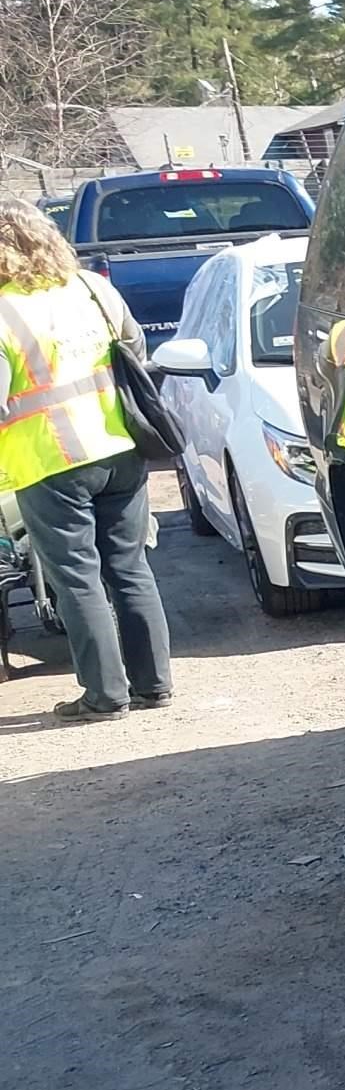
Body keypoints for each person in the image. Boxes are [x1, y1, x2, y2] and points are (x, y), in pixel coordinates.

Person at [0, 195, 173, 721]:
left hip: (51, 460)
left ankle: (104, 695)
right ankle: (154, 685)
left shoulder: (4, 310)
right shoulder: (92, 289)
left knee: (76, 577)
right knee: (129, 568)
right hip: (121, 447)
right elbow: (134, 352)